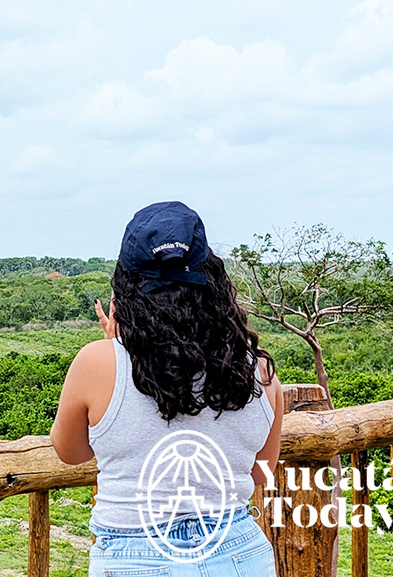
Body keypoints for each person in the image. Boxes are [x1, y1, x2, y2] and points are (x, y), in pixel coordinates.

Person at [50, 201, 284, 577]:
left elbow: (70, 451)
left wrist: (116, 349)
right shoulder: (259, 369)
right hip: (240, 551)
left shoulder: (96, 363)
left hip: (134, 552)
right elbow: (260, 473)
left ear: (125, 290)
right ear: (214, 282)